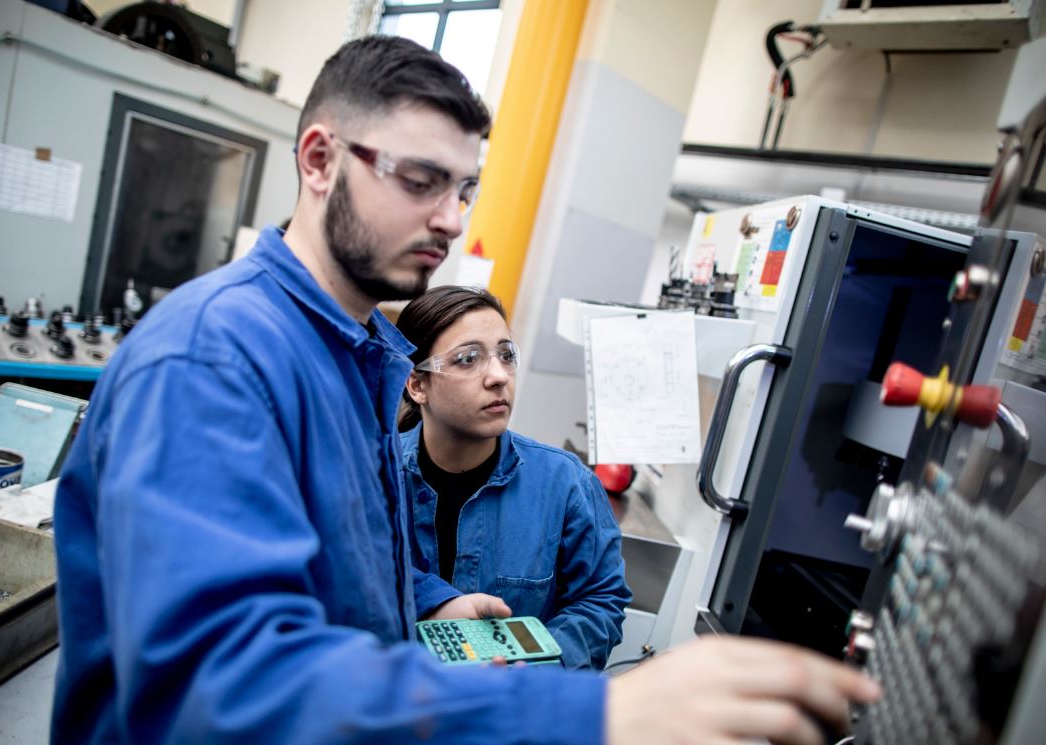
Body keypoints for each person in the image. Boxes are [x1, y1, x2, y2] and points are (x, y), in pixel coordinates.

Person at [53, 34, 880, 744]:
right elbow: (223, 687)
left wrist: (435, 604)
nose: (451, 218)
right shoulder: (218, 359)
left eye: (464, 189)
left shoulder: (352, 359)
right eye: (420, 180)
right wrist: (588, 713)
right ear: (317, 160)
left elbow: (348, 580)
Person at [396, 285, 631, 670]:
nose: (498, 376)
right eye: (468, 359)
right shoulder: (374, 476)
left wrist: (536, 670)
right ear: (418, 385)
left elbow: (600, 603)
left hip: (511, 713)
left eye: (506, 356)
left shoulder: (565, 484)